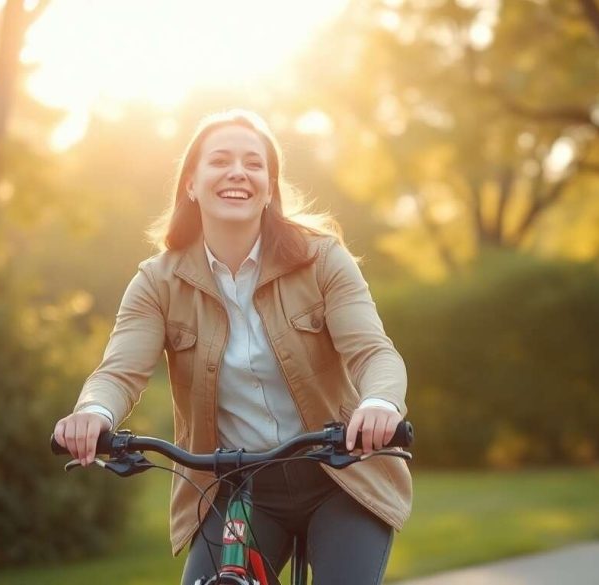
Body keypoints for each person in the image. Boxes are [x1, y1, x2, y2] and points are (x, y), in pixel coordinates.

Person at [52, 109, 412, 585]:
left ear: (269, 188)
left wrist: (380, 402)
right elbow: (119, 373)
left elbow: (374, 353)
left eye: (254, 164)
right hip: (237, 486)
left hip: (341, 476)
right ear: (191, 184)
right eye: (220, 161)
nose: (238, 172)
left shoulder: (322, 259)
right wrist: (94, 413)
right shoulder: (157, 282)